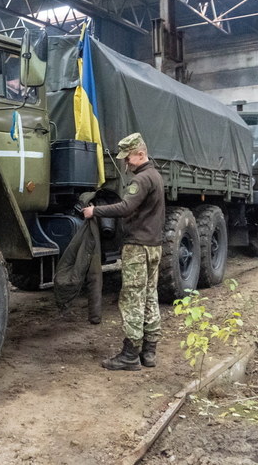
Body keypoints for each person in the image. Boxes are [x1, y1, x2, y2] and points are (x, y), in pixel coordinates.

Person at [82, 133, 165, 371]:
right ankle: (149, 353)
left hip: (138, 247)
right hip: (154, 245)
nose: (126, 164)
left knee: (132, 299)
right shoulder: (156, 176)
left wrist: (95, 211)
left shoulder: (141, 180)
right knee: (150, 297)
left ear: (141, 154)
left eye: (128, 159)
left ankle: (130, 355)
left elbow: (126, 207)